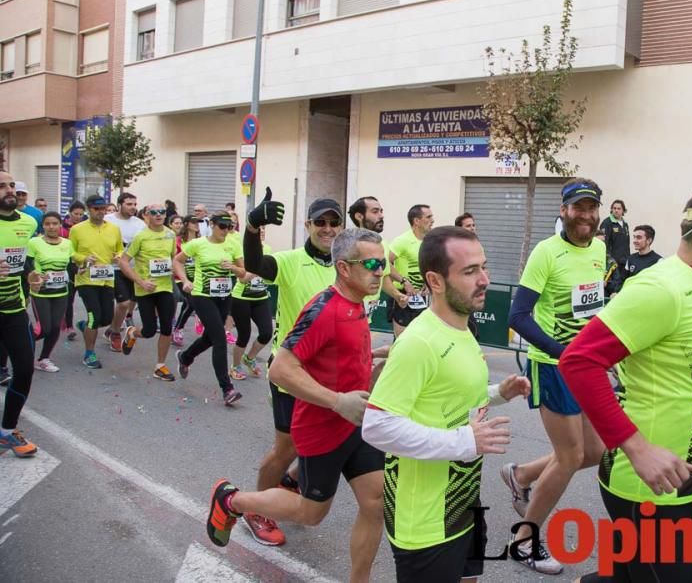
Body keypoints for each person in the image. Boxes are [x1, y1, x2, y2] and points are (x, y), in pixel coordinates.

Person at [559, 181, 692, 583]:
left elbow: (677, 361)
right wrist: (637, 447)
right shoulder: (661, 289)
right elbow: (579, 362)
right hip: (649, 489)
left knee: (626, 577)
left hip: (682, 481)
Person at [207, 228, 387, 583]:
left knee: (376, 501)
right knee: (311, 513)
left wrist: (377, 358)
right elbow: (280, 368)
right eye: (370, 263)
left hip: (355, 424)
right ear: (344, 268)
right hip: (322, 429)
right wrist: (337, 401)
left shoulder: (357, 303)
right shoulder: (325, 308)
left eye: (382, 263)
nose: (380, 270)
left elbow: (338, 358)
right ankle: (233, 500)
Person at [362, 226, 531, 583]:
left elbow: (447, 397)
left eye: (483, 267)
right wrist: (463, 442)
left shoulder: (461, 329)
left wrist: (499, 392)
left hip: (462, 503)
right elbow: (377, 426)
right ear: (435, 281)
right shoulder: (419, 342)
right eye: (470, 272)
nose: (484, 279)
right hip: (424, 520)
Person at [501, 178, 607, 574]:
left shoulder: (599, 248)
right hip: (554, 367)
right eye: (578, 208)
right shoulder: (546, 252)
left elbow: (591, 309)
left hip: (587, 365)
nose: (586, 215)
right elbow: (517, 316)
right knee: (570, 456)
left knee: (595, 451)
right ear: (563, 211)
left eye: (591, 208)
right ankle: (524, 540)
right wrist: (564, 353)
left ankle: (522, 474)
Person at [239, 189, 343, 547]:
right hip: (291, 374)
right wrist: (253, 226)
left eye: (334, 222)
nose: (327, 229)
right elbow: (255, 265)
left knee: (328, 438)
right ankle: (255, 510)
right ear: (308, 225)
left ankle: (287, 483)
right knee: (287, 447)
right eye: (321, 222)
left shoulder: (346, 266)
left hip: (331, 376)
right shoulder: (289, 261)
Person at [173, 211, 245, 405]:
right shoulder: (198, 244)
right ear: (212, 225)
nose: (226, 230)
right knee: (220, 339)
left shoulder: (233, 244)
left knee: (210, 338)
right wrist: (185, 280)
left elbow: (244, 273)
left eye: (230, 227)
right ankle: (227, 389)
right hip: (202, 296)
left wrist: (233, 268)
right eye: (222, 226)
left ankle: (186, 357)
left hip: (224, 297)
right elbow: (177, 261)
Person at [0, 171, 42, 457]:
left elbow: (24, 260)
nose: (9, 190)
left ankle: (6, 431)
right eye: (2, 185)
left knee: (25, 369)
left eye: (12, 185)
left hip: (14, 308)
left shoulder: (28, 222)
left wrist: (31, 274)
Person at [119, 203, 177, 381]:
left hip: (165, 287)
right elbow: (123, 261)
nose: (159, 215)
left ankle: (160, 366)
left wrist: (177, 271)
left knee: (167, 327)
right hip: (145, 289)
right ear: (146, 215)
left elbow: (173, 258)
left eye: (162, 212)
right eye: (154, 212)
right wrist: (141, 281)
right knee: (150, 330)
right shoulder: (140, 236)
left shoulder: (170, 234)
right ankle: (132, 333)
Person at [69, 194, 124, 369]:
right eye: (96, 209)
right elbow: (70, 253)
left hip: (106, 278)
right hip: (86, 278)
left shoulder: (114, 229)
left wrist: (118, 256)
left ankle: (84, 326)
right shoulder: (77, 229)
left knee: (106, 318)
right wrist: (84, 258)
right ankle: (89, 353)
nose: (100, 212)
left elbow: (120, 249)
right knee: (94, 317)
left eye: (103, 208)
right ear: (88, 209)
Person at [27, 212, 75, 373]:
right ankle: (19, 348)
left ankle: (43, 359)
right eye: (47, 224)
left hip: (61, 292)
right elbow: (27, 264)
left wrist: (81, 269)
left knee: (55, 327)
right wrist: (35, 275)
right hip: (41, 292)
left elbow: (70, 265)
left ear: (60, 225)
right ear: (43, 225)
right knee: (44, 328)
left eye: (55, 223)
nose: (51, 227)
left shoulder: (67, 244)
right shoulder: (34, 243)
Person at [229, 228, 272, 380]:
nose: (260, 233)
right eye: (257, 231)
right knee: (244, 335)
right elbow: (242, 279)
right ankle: (235, 366)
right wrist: (258, 269)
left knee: (267, 333)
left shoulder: (267, 249)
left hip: (261, 297)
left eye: (263, 231)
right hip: (242, 298)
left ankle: (250, 357)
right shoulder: (241, 251)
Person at [385, 204, 434, 336]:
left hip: (421, 296)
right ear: (416, 221)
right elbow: (385, 262)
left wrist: (428, 284)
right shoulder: (402, 241)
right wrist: (404, 281)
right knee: (401, 341)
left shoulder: (429, 241)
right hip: (403, 295)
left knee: (419, 339)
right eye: (428, 217)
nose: (433, 220)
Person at [106, 192, 147, 351]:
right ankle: (115, 333)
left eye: (135, 204)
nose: (133, 207)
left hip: (132, 268)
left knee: (129, 303)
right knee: (123, 303)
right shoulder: (108, 220)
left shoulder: (139, 224)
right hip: (113, 268)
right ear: (120, 205)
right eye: (129, 204)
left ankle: (112, 327)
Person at [171, 215, 200, 346]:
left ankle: (179, 327)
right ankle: (178, 329)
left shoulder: (201, 241)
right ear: (187, 224)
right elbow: (174, 258)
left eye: (198, 222)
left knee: (189, 304)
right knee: (191, 303)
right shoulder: (178, 241)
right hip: (180, 278)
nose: (197, 224)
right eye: (194, 222)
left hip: (197, 278)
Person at [60, 200, 86, 340]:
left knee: (87, 296)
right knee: (69, 297)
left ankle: (89, 323)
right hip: (68, 265)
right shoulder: (62, 228)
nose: (78, 216)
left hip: (82, 264)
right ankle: (69, 326)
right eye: (76, 214)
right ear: (70, 213)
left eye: (81, 214)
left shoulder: (86, 228)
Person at [599, 199, 629, 274]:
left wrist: (629, 258)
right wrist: (609, 260)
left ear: (623, 211)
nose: (616, 210)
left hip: (624, 261)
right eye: (614, 208)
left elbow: (627, 244)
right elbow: (603, 243)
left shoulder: (625, 225)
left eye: (619, 208)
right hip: (613, 263)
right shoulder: (607, 223)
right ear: (611, 210)